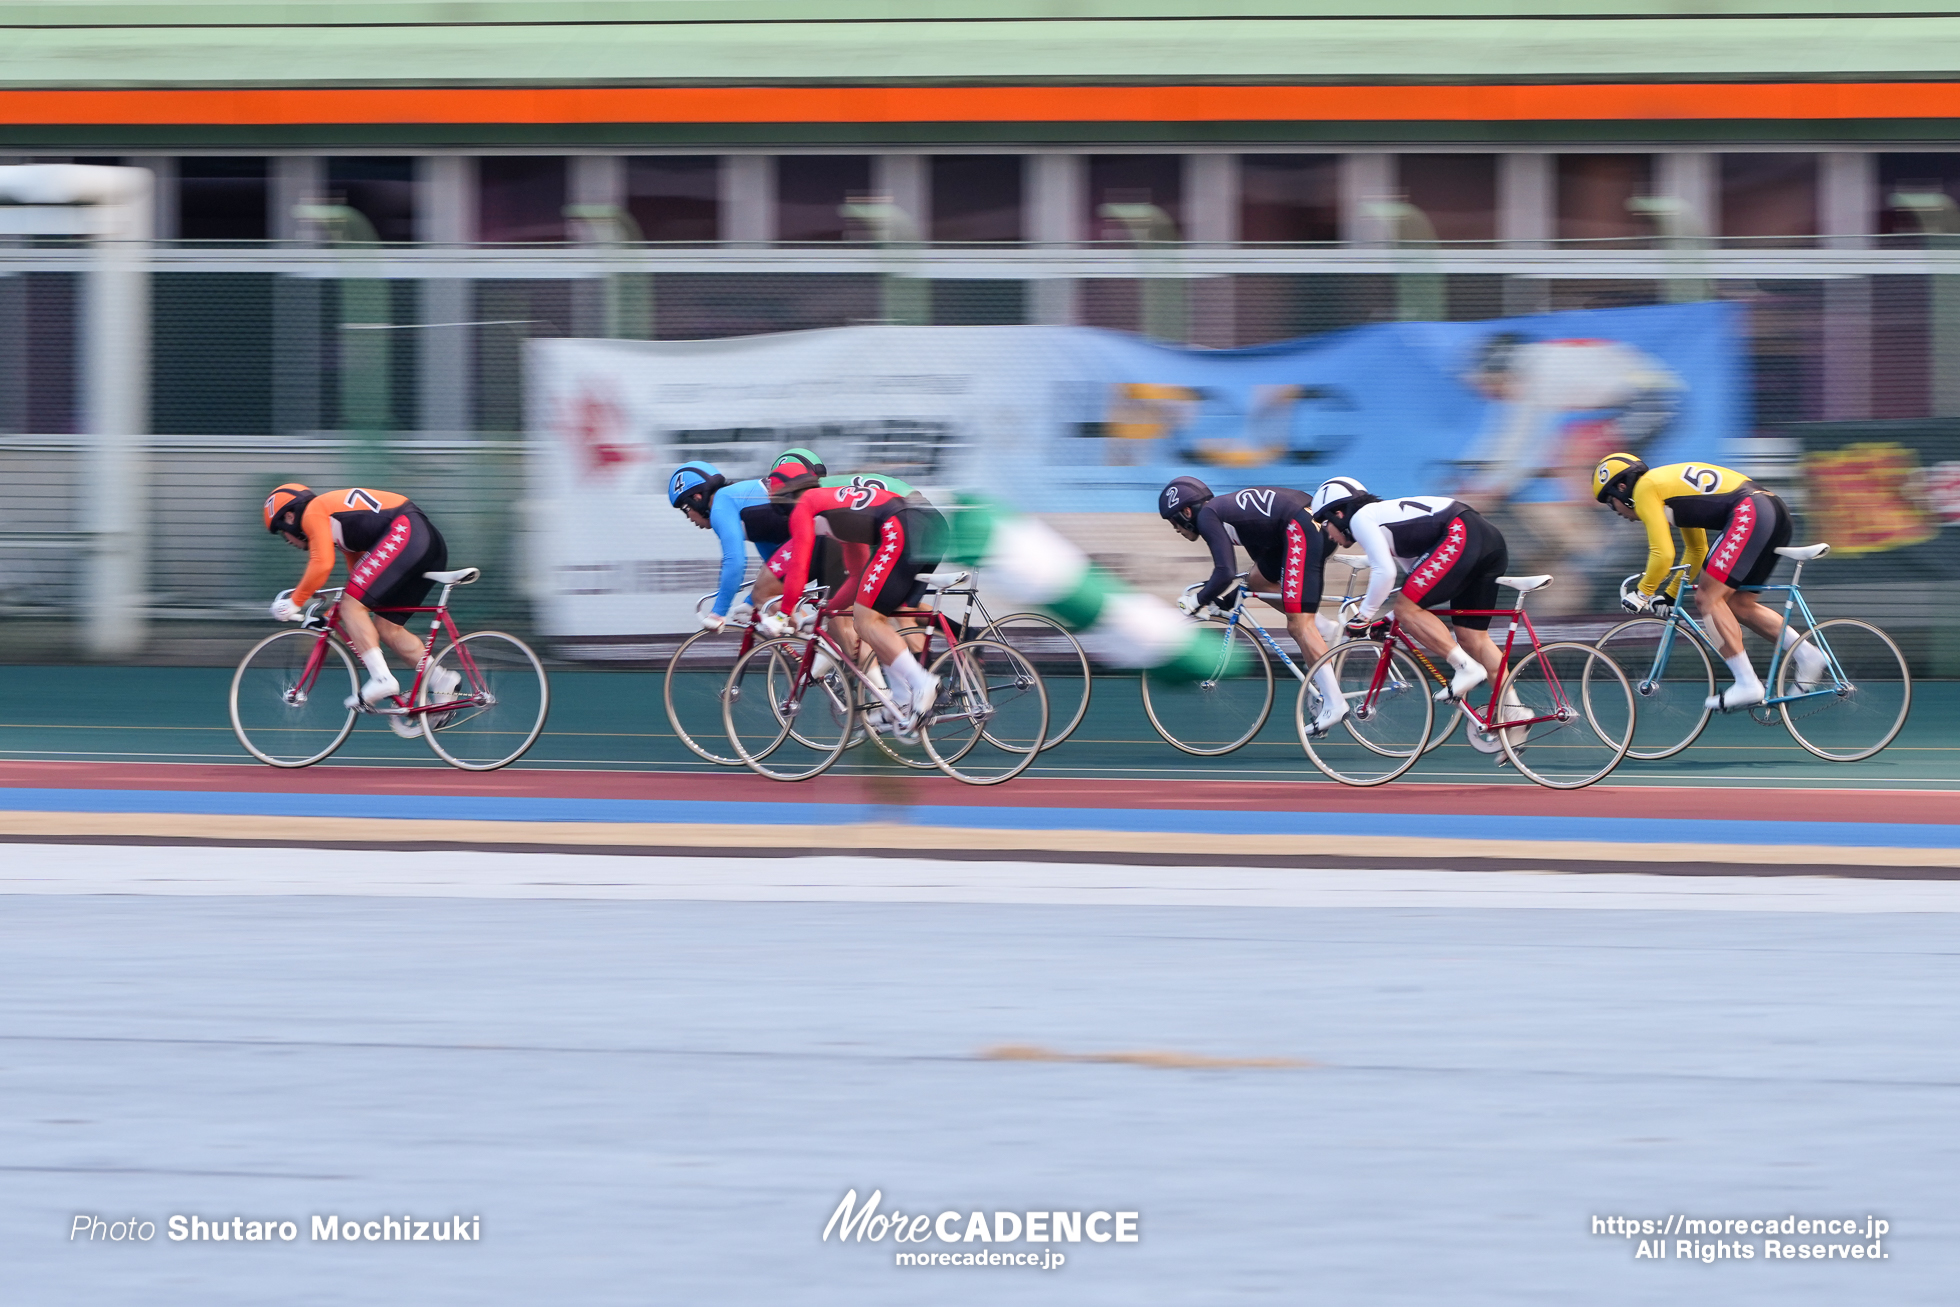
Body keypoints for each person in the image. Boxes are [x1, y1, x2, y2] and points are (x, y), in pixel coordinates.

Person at [1594, 452, 1825, 711]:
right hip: (1772, 510)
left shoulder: (1646, 488)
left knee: (1707, 598)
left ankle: (1747, 683)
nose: (1615, 511)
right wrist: (1669, 595)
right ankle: (1807, 654)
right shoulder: (1665, 489)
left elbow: (1663, 554)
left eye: (1611, 502)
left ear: (1622, 488)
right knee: (1739, 604)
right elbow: (1696, 551)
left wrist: (1642, 593)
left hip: (1750, 512)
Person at [262, 483, 458, 739]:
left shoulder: (313, 512)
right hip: (421, 539)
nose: (287, 541)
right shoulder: (339, 528)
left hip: (406, 531)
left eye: (281, 532)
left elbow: (321, 565)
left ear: (289, 517)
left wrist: (295, 601)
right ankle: (441, 680)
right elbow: (361, 583)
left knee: (353, 604)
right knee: (386, 627)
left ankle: (381, 680)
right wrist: (333, 614)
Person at [1157, 474, 1349, 733]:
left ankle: (1335, 703)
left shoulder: (1208, 516)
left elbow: (1224, 572)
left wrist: (1195, 601)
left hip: (1300, 527)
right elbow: (1257, 569)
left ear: (1187, 512)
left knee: (1298, 625)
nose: (1176, 531)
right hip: (1303, 525)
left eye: (1174, 523)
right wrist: (1228, 599)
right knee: (1258, 580)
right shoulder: (1229, 514)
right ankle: (1325, 630)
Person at [769, 469, 946, 735]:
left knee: (866, 621)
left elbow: (798, 566)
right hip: (919, 527)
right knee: (875, 619)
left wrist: (783, 615)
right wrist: (828, 612)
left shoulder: (804, 505)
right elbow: (856, 575)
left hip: (901, 528)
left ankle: (923, 681)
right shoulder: (839, 515)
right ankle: (900, 697)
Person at [1311, 476, 1508, 706]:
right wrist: (1388, 619)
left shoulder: (1361, 519)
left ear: (1339, 513)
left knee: (1407, 610)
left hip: (1462, 532)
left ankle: (1466, 668)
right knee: (1472, 638)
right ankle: (1513, 711)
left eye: (1325, 524)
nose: (1328, 534)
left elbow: (1384, 572)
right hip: (1486, 538)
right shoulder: (1389, 522)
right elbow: (1417, 585)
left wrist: (1363, 616)